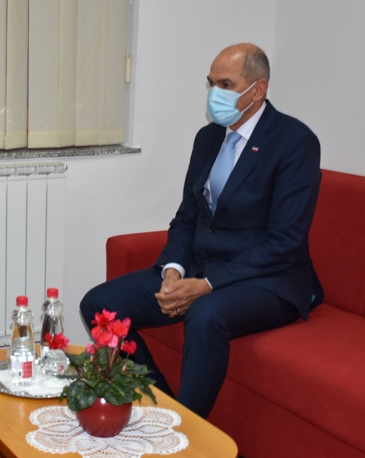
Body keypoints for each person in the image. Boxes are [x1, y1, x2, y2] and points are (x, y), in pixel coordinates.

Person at [79, 43, 323, 419]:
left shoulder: (294, 142)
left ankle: (187, 432)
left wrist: (207, 284)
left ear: (258, 89)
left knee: (205, 314)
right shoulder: (208, 138)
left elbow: (285, 242)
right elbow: (187, 216)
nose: (214, 94)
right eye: (211, 83)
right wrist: (173, 269)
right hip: (200, 267)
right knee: (99, 305)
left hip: (268, 280)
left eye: (226, 84)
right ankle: (161, 409)